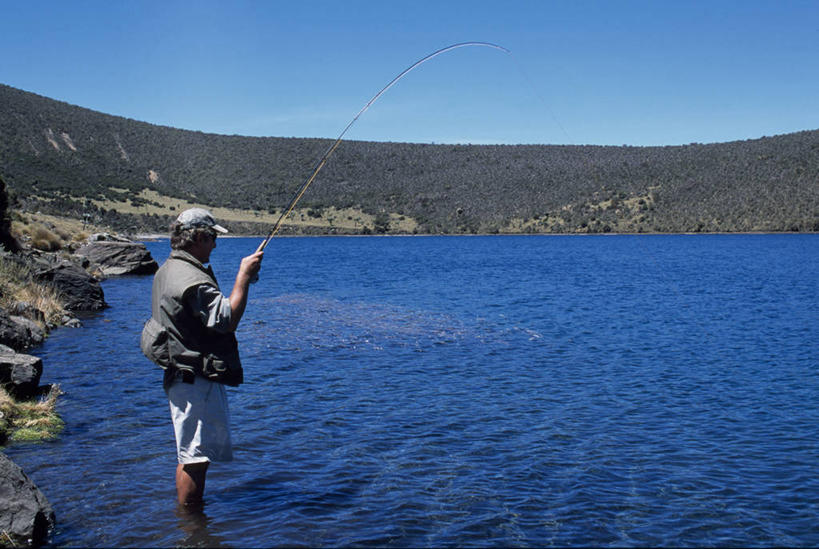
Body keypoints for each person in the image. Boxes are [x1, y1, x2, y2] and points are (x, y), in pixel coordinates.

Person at [141, 207, 263, 507]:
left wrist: (244, 282)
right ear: (197, 237)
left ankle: (190, 525)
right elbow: (227, 320)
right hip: (193, 381)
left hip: (183, 375)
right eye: (211, 238)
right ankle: (191, 523)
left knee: (190, 455)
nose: (215, 244)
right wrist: (243, 277)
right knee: (194, 459)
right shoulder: (191, 278)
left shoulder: (169, 268)